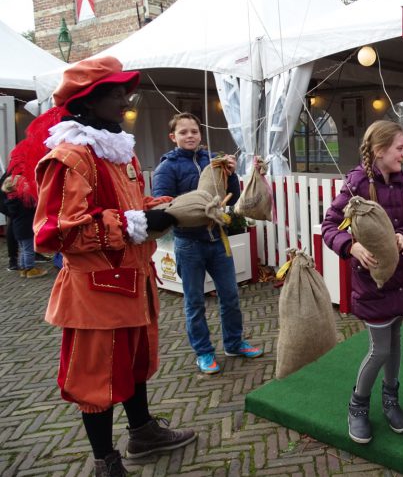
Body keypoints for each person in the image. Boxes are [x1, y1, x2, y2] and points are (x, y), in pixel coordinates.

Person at [32, 56, 196, 475]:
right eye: (114, 91)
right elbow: (57, 233)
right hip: (95, 296)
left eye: (125, 88)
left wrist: (173, 208)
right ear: (87, 102)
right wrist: (139, 223)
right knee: (96, 379)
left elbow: (132, 207)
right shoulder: (70, 158)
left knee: (134, 367)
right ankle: (105, 460)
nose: (125, 97)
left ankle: (142, 432)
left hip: (133, 282)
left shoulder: (119, 152)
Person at [321, 120, 403, 445]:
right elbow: (330, 226)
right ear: (380, 151)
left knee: (395, 345)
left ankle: (390, 399)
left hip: (402, 279)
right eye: (399, 148)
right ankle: (358, 405)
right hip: (372, 283)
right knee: (379, 350)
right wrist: (352, 246)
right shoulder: (354, 185)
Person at [151, 112, 263, 375]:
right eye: (183, 132)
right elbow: (163, 205)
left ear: (200, 134)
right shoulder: (167, 168)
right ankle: (203, 352)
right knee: (194, 302)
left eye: (194, 131)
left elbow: (231, 196)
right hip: (189, 244)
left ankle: (234, 344)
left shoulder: (213, 161)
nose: (190, 136)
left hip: (218, 241)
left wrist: (232, 174)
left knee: (231, 297)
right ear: (173, 137)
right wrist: (193, 208)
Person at [2, 140, 48, 278]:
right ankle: (30, 269)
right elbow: (32, 206)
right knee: (27, 249)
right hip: (26, 227)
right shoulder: (24, 201)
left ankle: (23, 268)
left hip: (18, 228)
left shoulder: (11, 199)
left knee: (23, 248)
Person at [0, 169, 21, 272]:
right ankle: (13, 260)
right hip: (9, 201)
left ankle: (31, 254)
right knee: (13, 225)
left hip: (10, 199)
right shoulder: (15, 171)